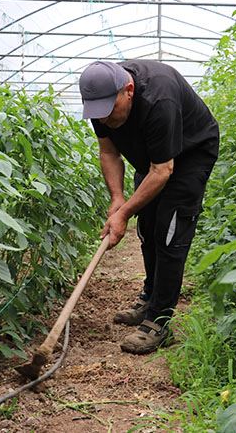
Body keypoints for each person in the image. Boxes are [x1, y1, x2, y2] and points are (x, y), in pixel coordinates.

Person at [79, 60, 219, 354]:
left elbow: (163, 170)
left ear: (128, 90)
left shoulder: (160, 98)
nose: (102, 120)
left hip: (188, 154)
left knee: (169, 232)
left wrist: (124, 213)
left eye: (108, 112)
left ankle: (159, 320)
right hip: (153, 158)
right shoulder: (99, 102)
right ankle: (150, 297)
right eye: (97, 114)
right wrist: (118, 199)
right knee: (148, 226)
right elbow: (109, 152)